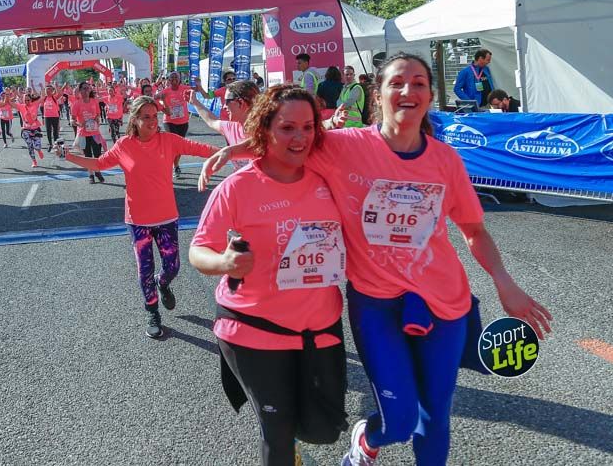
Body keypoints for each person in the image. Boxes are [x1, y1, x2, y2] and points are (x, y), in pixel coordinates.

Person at [202, 54, 553, 466]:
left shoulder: (446, 161)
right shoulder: (341, 147)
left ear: (430, 95)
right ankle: (367, 442)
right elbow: (289, 141)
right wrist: (236, 151)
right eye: (397, 83)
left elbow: (474, 231)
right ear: (378, 94)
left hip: (445, 302)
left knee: (436, 417)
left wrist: (503, 282)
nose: (409, 91)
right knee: (399, 421)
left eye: (419, 83)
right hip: (376, 302)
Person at [190, 85, 348, 466]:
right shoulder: (238, 187)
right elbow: (198, 250)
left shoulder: (328, 171)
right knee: (276, 430)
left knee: (325, 428)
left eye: (308, 127)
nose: (300, 138)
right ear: (264, 128)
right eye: (288, 128)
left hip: (321, 326)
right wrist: (225, 263)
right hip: (253, 328)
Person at [61, 96, 219, 338]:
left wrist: (232, 154)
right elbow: (100, 163)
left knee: (172, 267)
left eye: (155, 116)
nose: (153, 121)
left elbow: (201, 149)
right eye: (146, 117)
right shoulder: (124, 145)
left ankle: (163, 283)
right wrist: (68, 156)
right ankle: (152, 310)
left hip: (166, 218)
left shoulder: (168, 140)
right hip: (138, 221)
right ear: (134, 119)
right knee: (145, 270)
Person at [189, 80, 260, 172]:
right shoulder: (231, 127)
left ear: (241, 102)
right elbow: (212, 121)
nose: (224, 106)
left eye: (227, 101)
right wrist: (195, 102)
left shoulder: (269, 130)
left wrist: (229, 151)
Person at [155, 71, 193, 178]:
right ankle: (170, 165)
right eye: (171, 78)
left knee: (179, 146)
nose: (174, 79)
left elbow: (196, 90)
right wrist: (160, 99)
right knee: (173, 145)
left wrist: (197, 85)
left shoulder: (184, 88)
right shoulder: (166, 91)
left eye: (176, 77)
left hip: (183, 122)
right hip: (169, 121)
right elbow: (154, 97)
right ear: (169, 80)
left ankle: (175, 165)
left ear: (179, 79)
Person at [70, 83, 107, 184]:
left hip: (95, 133)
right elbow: (72, 120)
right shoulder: (76, 104)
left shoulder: (94, 101)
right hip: (83, 134)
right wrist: (79, 124)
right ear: (80, 90)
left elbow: (98, 114)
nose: (86, 90)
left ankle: (97, 171)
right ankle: (91, 174)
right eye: (84, 88)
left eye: (88, 88)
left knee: (98, 155)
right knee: (87, 155)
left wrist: (97, 120)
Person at [15, 93, 45, 168]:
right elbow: (10, 103)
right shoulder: (21, 106)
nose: (26, 101)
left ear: (31, 100)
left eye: (28, 100)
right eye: (25, 100)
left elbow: (43, 97)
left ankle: (38, 150)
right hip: (26, 129)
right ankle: (34, 161)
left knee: (37, 146)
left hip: (35, 128)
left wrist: (42, 88)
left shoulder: (35, 104)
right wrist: (7, 96)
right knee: (30, 145)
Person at [42, 85, 63, 152]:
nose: (48, 91)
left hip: (55, 116)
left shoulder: (54, 97)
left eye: (49, 90)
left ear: (52, 91)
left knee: (55, 132)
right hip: (47, 117)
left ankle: (56, 145)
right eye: (46, 90)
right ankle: (50, 145)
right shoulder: (44, 98)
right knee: (48, 131)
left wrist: (56, 86)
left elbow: (60, 93)